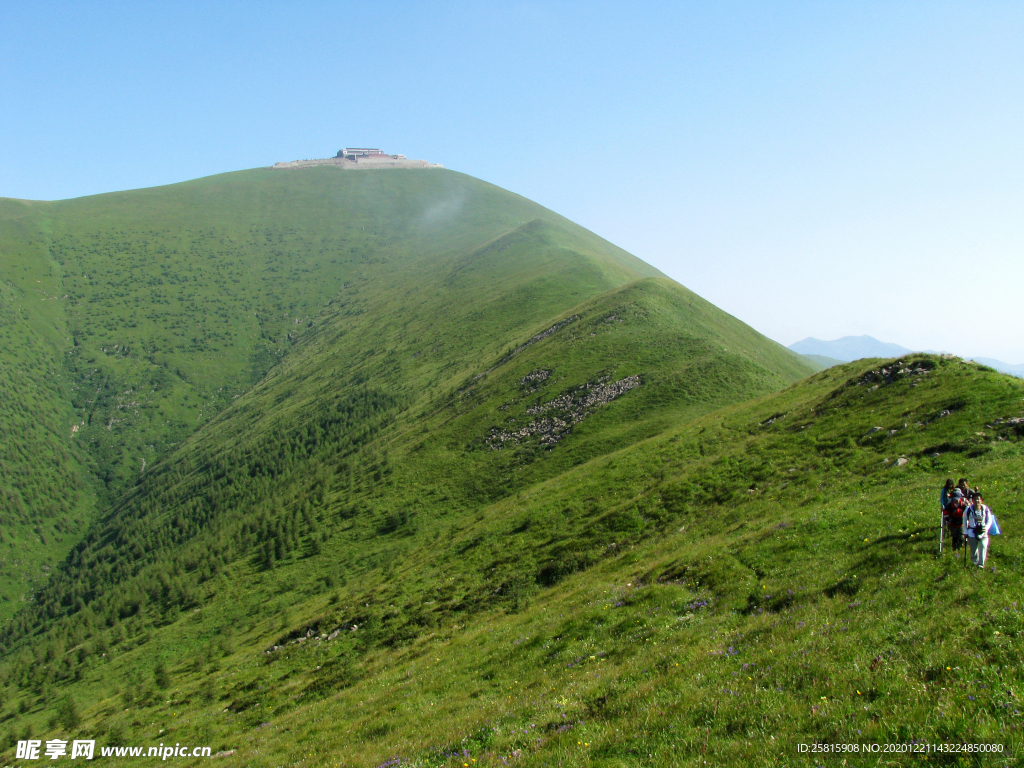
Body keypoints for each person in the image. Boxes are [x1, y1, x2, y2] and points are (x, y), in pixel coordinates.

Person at [962, 491, 993, 568]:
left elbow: (989, 520)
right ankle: (974, 562)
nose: (977, 501)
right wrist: (965, 532)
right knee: (973, 549)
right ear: (972, 501)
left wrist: (986, 528)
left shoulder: (985, 509)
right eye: (975, 499)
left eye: (978, 499)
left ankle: (980, 564)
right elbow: (964, 520)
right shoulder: (968, 510)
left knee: (983, 546)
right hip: (972, 532)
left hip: (983, 531)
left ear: (981, 500)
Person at [944, 486, 967, 553]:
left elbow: (967, 512)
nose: (956, 500)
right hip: (953, 523)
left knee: (962, 537)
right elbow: (946, 513)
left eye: (957, 499)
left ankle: (960, 547)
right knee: (954, 536)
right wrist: (948, 519)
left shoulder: (963, 505)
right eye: (954, 499)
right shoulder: (950, 505)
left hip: (962, 523)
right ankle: (954, 548)